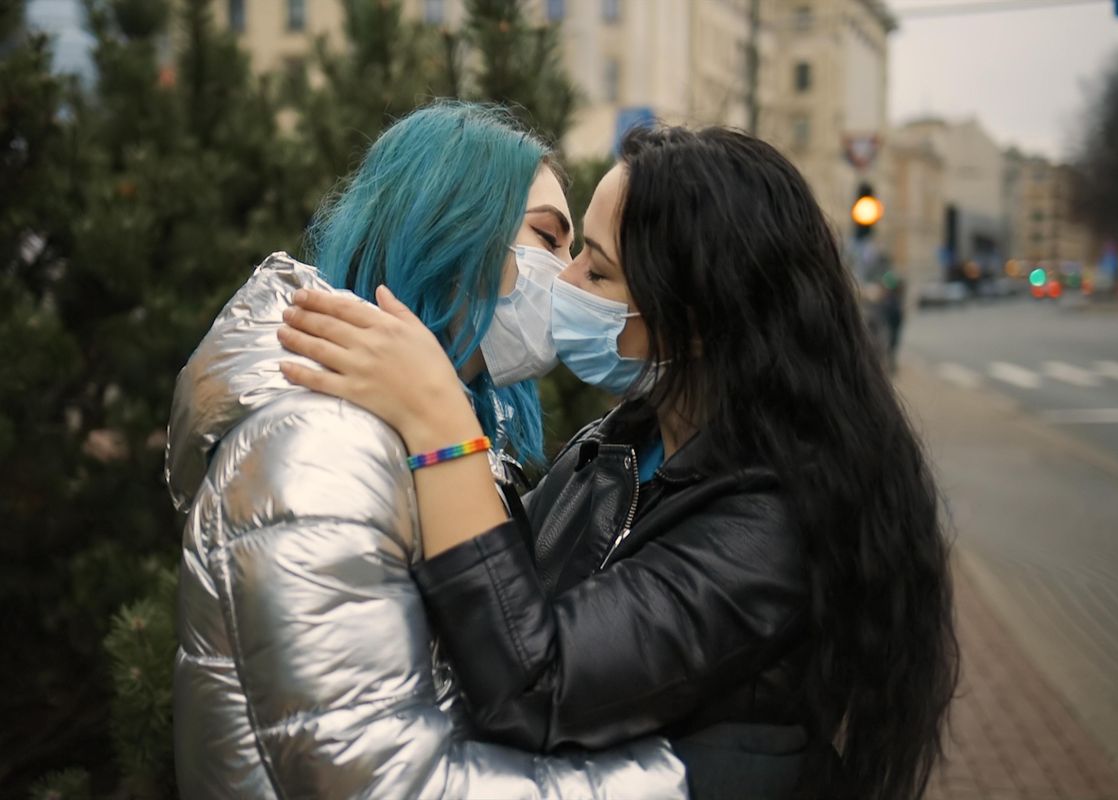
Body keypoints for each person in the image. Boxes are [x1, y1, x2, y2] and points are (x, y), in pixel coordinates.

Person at [280, 125, 959, 800]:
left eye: (595, 268)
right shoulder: (613, 448)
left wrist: (442, 423)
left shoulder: (770, 524)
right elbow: (489, 607)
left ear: (690, 319)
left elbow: (536, 688)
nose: (563, 280)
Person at [164, 102, 686, 799]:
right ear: (452, 227)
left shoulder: (422, 434)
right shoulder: (320, 448)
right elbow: (374, 781)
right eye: (548, 238)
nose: (566, 279)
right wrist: (684, 778)